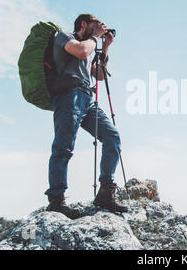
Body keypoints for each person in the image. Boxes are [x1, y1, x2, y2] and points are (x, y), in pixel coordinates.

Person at [44, 13, 128, 219]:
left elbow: (99, 75)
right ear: (84, 24)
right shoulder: (64, 36)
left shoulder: (91, 45)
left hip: (86, 97)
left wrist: (105, 47)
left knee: (112, 136)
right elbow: (81, 52)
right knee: (63, 147)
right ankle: (56, 200)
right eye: (95, 25)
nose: (99, 29)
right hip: (68, 95)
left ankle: (106, 192)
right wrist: (95, 38)